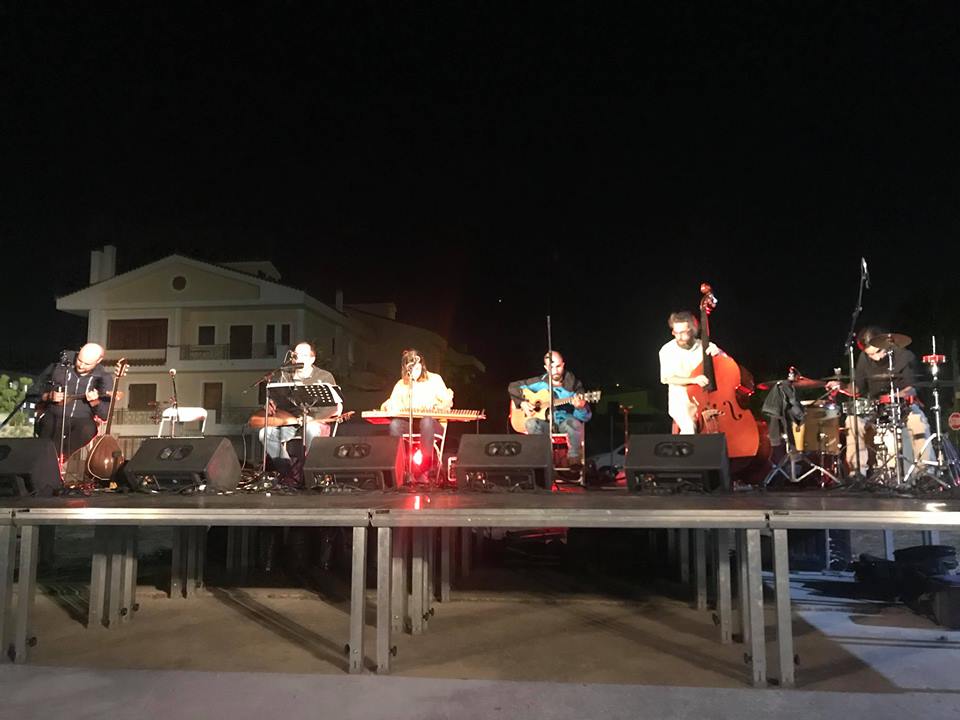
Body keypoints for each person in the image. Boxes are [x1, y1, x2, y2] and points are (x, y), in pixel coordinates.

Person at [832, 327, 932, 477]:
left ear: (885, 343)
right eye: (870, 354)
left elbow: (911, 388)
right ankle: (857, 473)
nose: (876, 358)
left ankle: (925, 472)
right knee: (852, 421)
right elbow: (858, 388)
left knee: (918, 421)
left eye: (878, 352)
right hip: (876, 408)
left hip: (903, 406)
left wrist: (894, 397)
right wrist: (841, 387)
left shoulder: (905, 356)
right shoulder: (864, 358)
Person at [260, 341, 341, 471]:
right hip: (293, 423)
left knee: (310, 430)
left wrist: (312, 418)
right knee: (265, 433)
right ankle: (288, 472)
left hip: (316, 422)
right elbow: (280, 400)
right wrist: (272, 403)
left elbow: (334, 407)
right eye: (296, 355)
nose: (298, 358)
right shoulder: (286, 375)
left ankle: (310, 471)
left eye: (303, 355)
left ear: (312, 359)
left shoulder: (324, 376)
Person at [508, 351, 592, 465]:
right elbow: (513, 387)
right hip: (544, 425)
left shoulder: (574, 385)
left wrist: (580, 408)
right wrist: (522, 402)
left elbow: (585, 417)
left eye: (558, 366)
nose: (555, 371)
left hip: (564, 423)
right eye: (551, 367)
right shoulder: (539, 383)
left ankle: (574, 461)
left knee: (574, 424)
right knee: (531, 423)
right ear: (546, 368)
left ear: (563, 365)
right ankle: (541, 461)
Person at [32, 343, 114, 458]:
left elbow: (105, 415)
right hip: (54, 416)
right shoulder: (58, 368)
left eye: (87, 364)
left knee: (88, 429)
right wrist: (48, 396)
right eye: (80, 360)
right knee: (48, 431)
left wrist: (94, 402)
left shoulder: (104, 378)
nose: (81, 366)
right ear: (79, 352)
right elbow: (32, 393)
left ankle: (62, 457)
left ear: (99, 360)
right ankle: (50, 458)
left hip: (82, 421)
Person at [381, 349, 453, 477]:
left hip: (432, 425)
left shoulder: (434, 379)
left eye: (418, 368)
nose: (416, 372)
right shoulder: (402, 384)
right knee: (395, 425)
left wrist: (438, 407)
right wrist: (388, 406)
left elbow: (448, 402)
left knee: (426, 421)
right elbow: (391, 403)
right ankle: (400, 466)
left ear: (422, 366)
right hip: (411, 425)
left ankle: (426, 466)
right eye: (412, 370)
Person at [658, 311, 721, 434]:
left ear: (692, 330)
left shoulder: (704, 346)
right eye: (676, 332)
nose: (679, 337)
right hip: (681, 401)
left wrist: (718, 353)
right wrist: (694, 380)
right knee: (689, 428)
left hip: (706, 399)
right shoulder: (667, 350)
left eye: (683, 332)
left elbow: (727, 365)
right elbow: (666, 378)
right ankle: (685, 446)